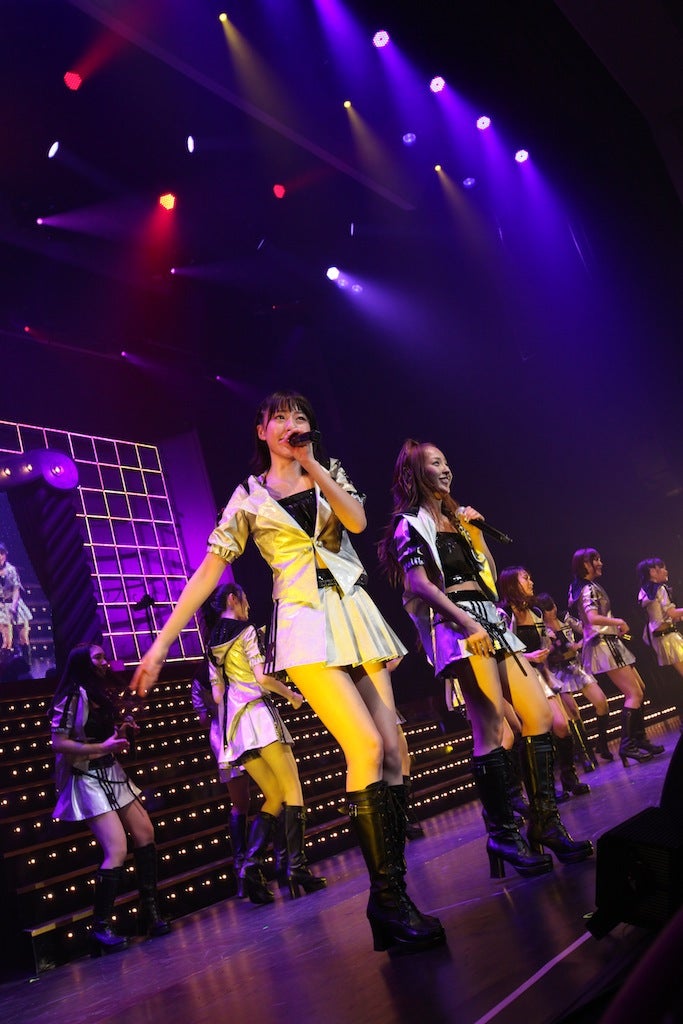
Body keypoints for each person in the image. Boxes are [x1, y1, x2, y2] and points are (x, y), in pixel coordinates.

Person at [130, 391, 444, 954]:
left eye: (300, 417)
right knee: (367, 747)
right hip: (303, 625)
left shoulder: (327, 471)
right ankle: (388, 899)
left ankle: (392, 897)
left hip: (355, 611)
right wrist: (160, 645)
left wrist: (312, 465)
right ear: (261, 430)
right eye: (279, 417)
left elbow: (357, 520)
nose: (290, 424)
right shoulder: (249, 498)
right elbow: (207, 574)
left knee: (395, 752)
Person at [378, 440, 592, 876]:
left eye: (446, 461)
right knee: (491, 727)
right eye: (435, 462)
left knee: (539, 715)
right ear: (415, 473)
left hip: (490, 618)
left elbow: (488, 576)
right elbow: (418, 584)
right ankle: (502, 832)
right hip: (457, 625)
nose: (446, 468)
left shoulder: (458, 520)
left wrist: (473, 531)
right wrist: (467, 623)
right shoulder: (409, 524)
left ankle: (544, 822)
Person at [203, 581, 326, 903]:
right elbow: (261, 678)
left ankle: (250, 864)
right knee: (292, 789)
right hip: (259, 716)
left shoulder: (212, 642)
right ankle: (297, 868)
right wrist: (291, 695)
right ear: (233, 599)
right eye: (244, 599)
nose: (248, 605)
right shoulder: (245, 631)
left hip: (235, 729)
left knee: (273, 796)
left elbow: (217, 694)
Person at [50, 643, 171, 955]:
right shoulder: (73, 694)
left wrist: (121, 732)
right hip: (86, 777)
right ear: (84, 663)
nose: (105, 662)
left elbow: (101, 733)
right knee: (116, 848)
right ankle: (100, 927)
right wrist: (102, 748)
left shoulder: (98, 693)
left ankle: (149, 912)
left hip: (110, 770)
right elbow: (59, 742)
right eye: (99, 657)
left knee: (145, 832)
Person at [497, 568, 591, 799]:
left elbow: (543, 643)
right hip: (517, 675)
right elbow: (502, 650)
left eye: (530, 577)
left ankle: (569, 778)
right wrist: (528, 657)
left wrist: (546, 649)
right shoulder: (503, 614)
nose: (531, 581)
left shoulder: (536, 611)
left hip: (540, 675)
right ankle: (542, 789)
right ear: (512, 584)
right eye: (525, 578)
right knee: (534, 730)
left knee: (562, 725)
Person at [568, 548, 664, 766]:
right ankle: (628, 745)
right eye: (596, 560)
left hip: (609, 642)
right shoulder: (588, 589)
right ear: (586, 565)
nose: (600, 563)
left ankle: (639, 739)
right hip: (604, 645)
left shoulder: (586, 587)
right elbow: (592, 618)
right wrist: (618, 622)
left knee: (639, 688)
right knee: (634, 693)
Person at [191, 657, 252, 898]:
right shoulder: (235, 664)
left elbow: (203, 719)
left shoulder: (200, 678)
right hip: (244, 728)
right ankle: (259, 864)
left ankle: (243, 868)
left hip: (223, 735)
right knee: (268, 796)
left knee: (241, 803)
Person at [534, 592, 613, 764]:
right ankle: (585, 755)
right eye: (547, 610)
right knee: (573, 713)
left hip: (577, 667)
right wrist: (554, 650)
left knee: (602, 702)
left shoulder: (565, 618)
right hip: (558, 672)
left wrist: (581, 644)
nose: (552, 612)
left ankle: (602, 744)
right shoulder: (541, 629)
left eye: (552, 607)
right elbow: (543, 653)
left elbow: (585, 629)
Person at [636, 558, 683, 727]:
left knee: (675, 680)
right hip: (669, 639)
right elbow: (671, 613)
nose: (666, 571)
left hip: (659, 640)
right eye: (662, 568)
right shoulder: (660, 589)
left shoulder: (644, 591)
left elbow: (661, 617)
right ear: (652, 572)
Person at [0, 543, 32, 660]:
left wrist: (13, 606)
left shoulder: (11, 570)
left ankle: (26, 663)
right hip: (1, 607)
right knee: (7, 641)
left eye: (1, 554)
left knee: (24, 638)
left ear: (5, 555)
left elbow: (16, 589)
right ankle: (4, 666)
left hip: (16, 605)